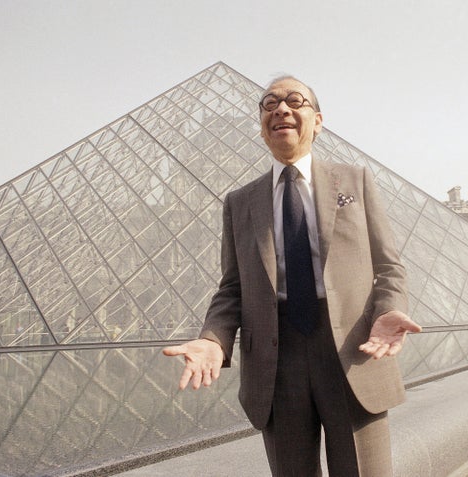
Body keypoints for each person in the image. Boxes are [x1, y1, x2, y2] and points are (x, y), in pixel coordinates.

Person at [163, 75, 421, 476]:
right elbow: (232, 288)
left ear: (317, 121)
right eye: (269, 104)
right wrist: (214, 339)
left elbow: (388, 266)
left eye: (294, 101)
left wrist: (388, 309)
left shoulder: (356, 180)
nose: (280, 109)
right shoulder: (239, 202)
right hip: (274, 357)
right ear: (263, 125)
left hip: (352, 349)